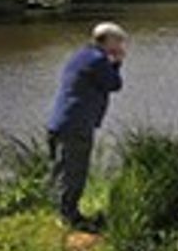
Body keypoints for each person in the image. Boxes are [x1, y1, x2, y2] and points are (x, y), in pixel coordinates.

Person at [45, 22, 128, 232]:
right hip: (76, 124)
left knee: (61, 169)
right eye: (119, 41)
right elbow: (114, 84)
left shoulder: (80, 55)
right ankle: (70, 218)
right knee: (75, 172)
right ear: (107, 40)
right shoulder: (98, 60)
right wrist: (117, 62)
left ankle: (61, 212)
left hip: (59, 121)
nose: (121, 45)